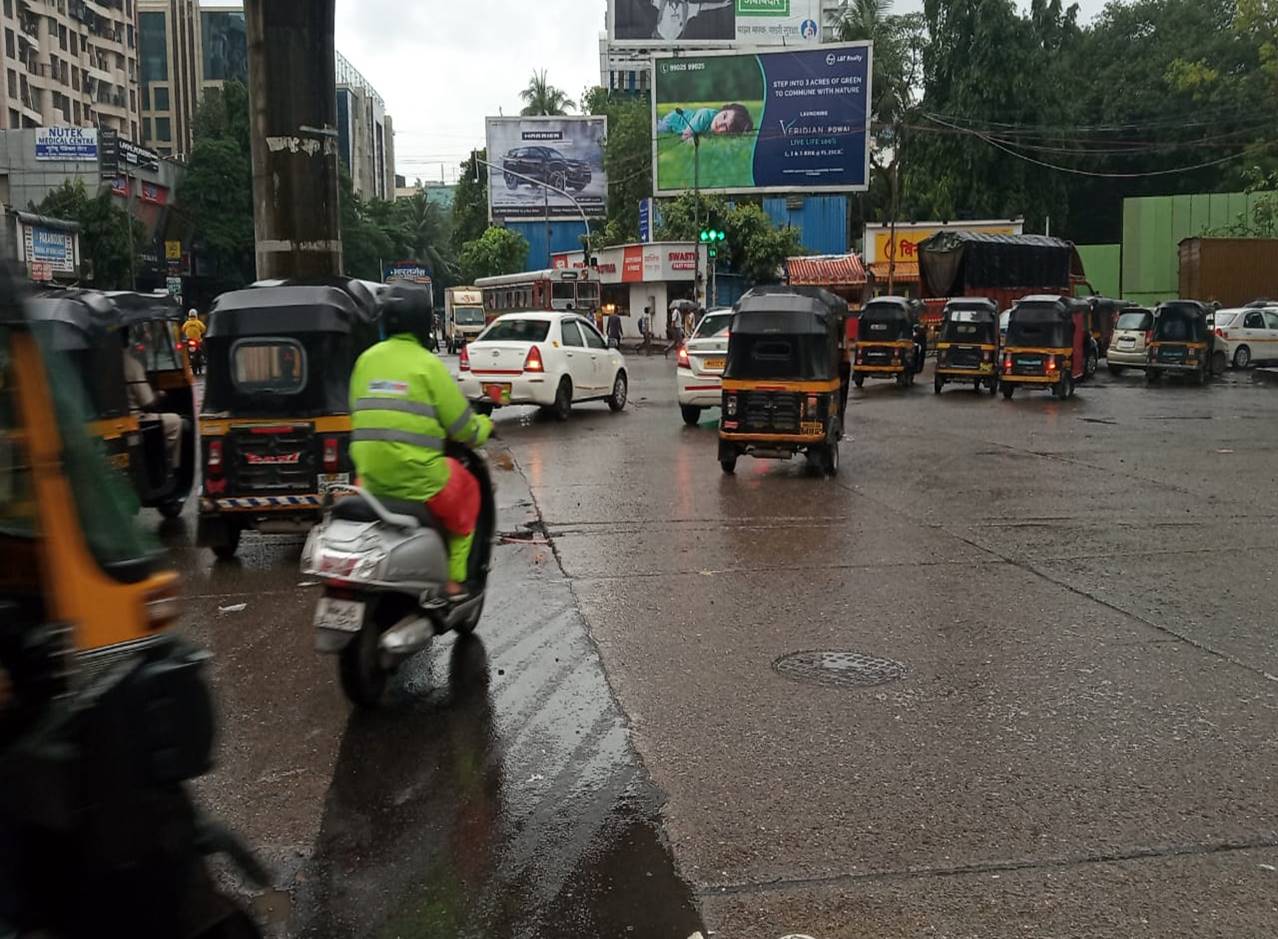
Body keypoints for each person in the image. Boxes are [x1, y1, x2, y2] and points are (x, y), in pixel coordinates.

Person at [349, 285, 493, 599]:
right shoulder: (428, 365)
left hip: (368, 481)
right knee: (468, 494)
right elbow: (462, 428)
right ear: (424, 322)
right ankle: (454, 582)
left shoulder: (364, 362)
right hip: (418, 482)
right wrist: (484, 425)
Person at [121, 334, 182, 470]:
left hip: (115, 420)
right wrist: (159, 395)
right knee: (176, 421)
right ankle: (173, 468)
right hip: (135, 420)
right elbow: (148, 403)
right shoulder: (131, 364)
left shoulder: (100, 365)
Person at [658, 103, 754, 140]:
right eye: (724, 116)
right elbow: (686, 136)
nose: (720, 123)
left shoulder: (717, 135)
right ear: (724, 109)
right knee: (660, 129)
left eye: (725, 127)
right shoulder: (705, 115)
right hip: (673, 121)